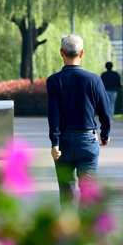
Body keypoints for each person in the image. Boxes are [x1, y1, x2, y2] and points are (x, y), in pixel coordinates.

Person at [47, 34, 112, 208]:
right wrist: (105, 134)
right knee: (89, 192)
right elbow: (105, 111)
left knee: (66, 193)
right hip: (87, 141)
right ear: (82, 53)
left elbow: (53, 114)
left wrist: (54, 142)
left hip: (63, 142)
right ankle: (86, 223)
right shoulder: (94, 79)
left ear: (61, 52)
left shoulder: (54, 81)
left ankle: (68, 222)